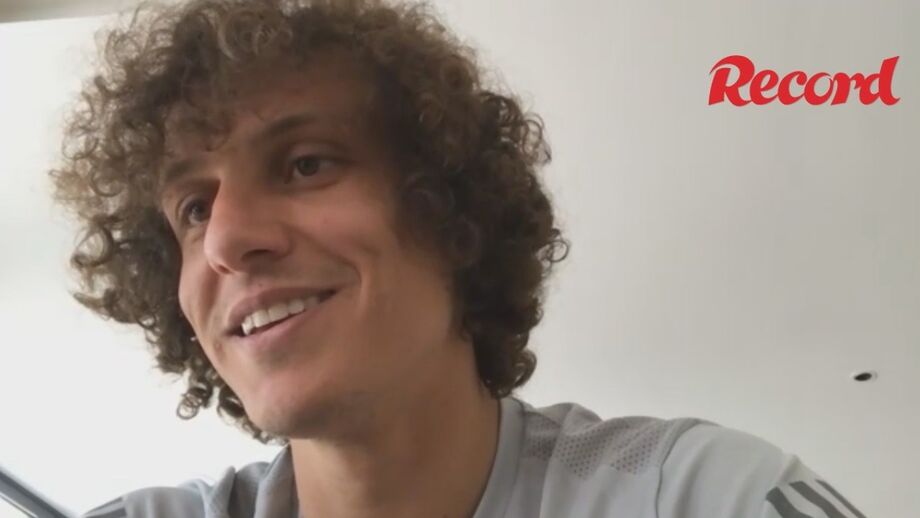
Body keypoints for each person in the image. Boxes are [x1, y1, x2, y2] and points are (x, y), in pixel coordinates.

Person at [50, 0, 866, 517]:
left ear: (453, 211)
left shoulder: (700, 497)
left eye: (306, 164)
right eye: (193, 210)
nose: (226, 240)